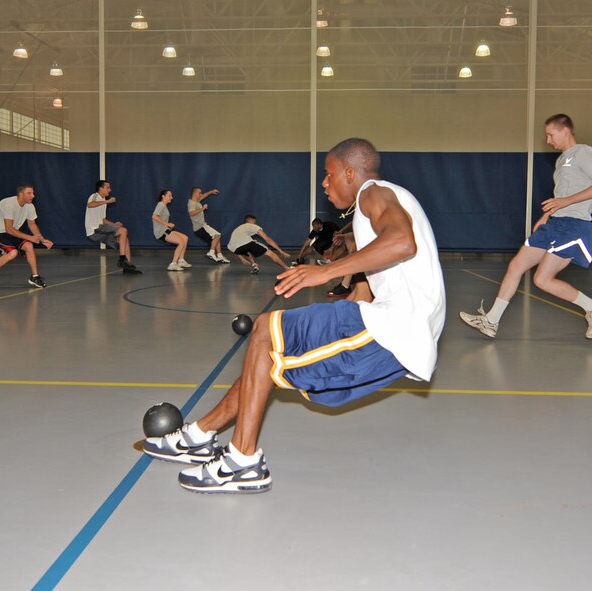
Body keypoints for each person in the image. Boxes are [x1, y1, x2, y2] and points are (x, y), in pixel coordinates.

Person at [143, 138, 446, 494]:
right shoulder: (383, 203)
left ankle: (243, 462)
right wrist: (335, 305)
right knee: (266, 347)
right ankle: (198, 436)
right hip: (389, 325)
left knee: (265, 331)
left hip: (395, 330)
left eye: (329, 174)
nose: (324, 183)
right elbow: (366, 288)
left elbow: (402, 242)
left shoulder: (372, 193)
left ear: (350, 173)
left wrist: (324, 272)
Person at [459, 113, 592, 340]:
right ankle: (491, 321)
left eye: (551, 135)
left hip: (574, 226)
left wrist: (566, 202)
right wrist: (546, 216)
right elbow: (561, 195)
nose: (548, 140)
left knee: (542, 280)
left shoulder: (584, 152)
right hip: (555, 223)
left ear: (565, 131)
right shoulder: (561, 161)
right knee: (516, 265)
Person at [0, 183, 53, 289]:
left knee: (29, 246)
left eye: (33, 193)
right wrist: (30, 238)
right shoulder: (8, 204)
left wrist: (42, 240)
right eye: (29, 193)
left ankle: (35, 277)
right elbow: (9, 229)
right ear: (21, 194)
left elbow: (32, 224)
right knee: (12, 253)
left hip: (12, 231)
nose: (33, 196)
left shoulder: (30, 206)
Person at [84, 180, 142, 274]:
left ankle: (127, 267)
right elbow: (90, 205)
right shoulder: (94, 196)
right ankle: (122, 259)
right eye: (107, 188)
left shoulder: (103, 202)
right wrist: (107, 201)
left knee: (125, 239)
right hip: (94, 229)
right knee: (123, 231)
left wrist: (114, 225)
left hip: (100, 229)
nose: (110, 190)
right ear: (101, 188)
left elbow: (103, 220)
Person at [227, 214, 292, 274]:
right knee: (270, 253)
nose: (256, 224)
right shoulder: (252, 226)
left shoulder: (239, 229)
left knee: (247, 249)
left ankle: (254, 265)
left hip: (233, 248)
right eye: (255, 222)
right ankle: (287, 268)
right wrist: (281, 251)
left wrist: (242, 259)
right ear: (252, 221)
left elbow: (234, 245)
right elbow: (268, 240)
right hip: (244, 244)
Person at [152, 189, 192, 272]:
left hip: (165, 229)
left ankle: (181, 260)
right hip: (161, 232)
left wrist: (168, 225)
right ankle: (173, 264)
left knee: (185, 238)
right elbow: (154, 216)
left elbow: (160, 218)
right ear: (163, 196)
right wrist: (167, 224)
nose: (171, 197)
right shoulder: (161, 205)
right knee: (181, 242)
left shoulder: (164, 206)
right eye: (169, 195)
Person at [187, 186, 229, 263]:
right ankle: (211, 252)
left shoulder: (196, 201)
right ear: (195, 193)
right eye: (199, 193)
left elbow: (204, 196)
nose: (201, 194)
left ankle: (219, 256)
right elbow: (191, 213)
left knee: (217, 236)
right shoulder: (192, 203)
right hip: (200, 227)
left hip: (203, 226)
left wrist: (211, 192)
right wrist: (202, 208)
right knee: (217, 235)